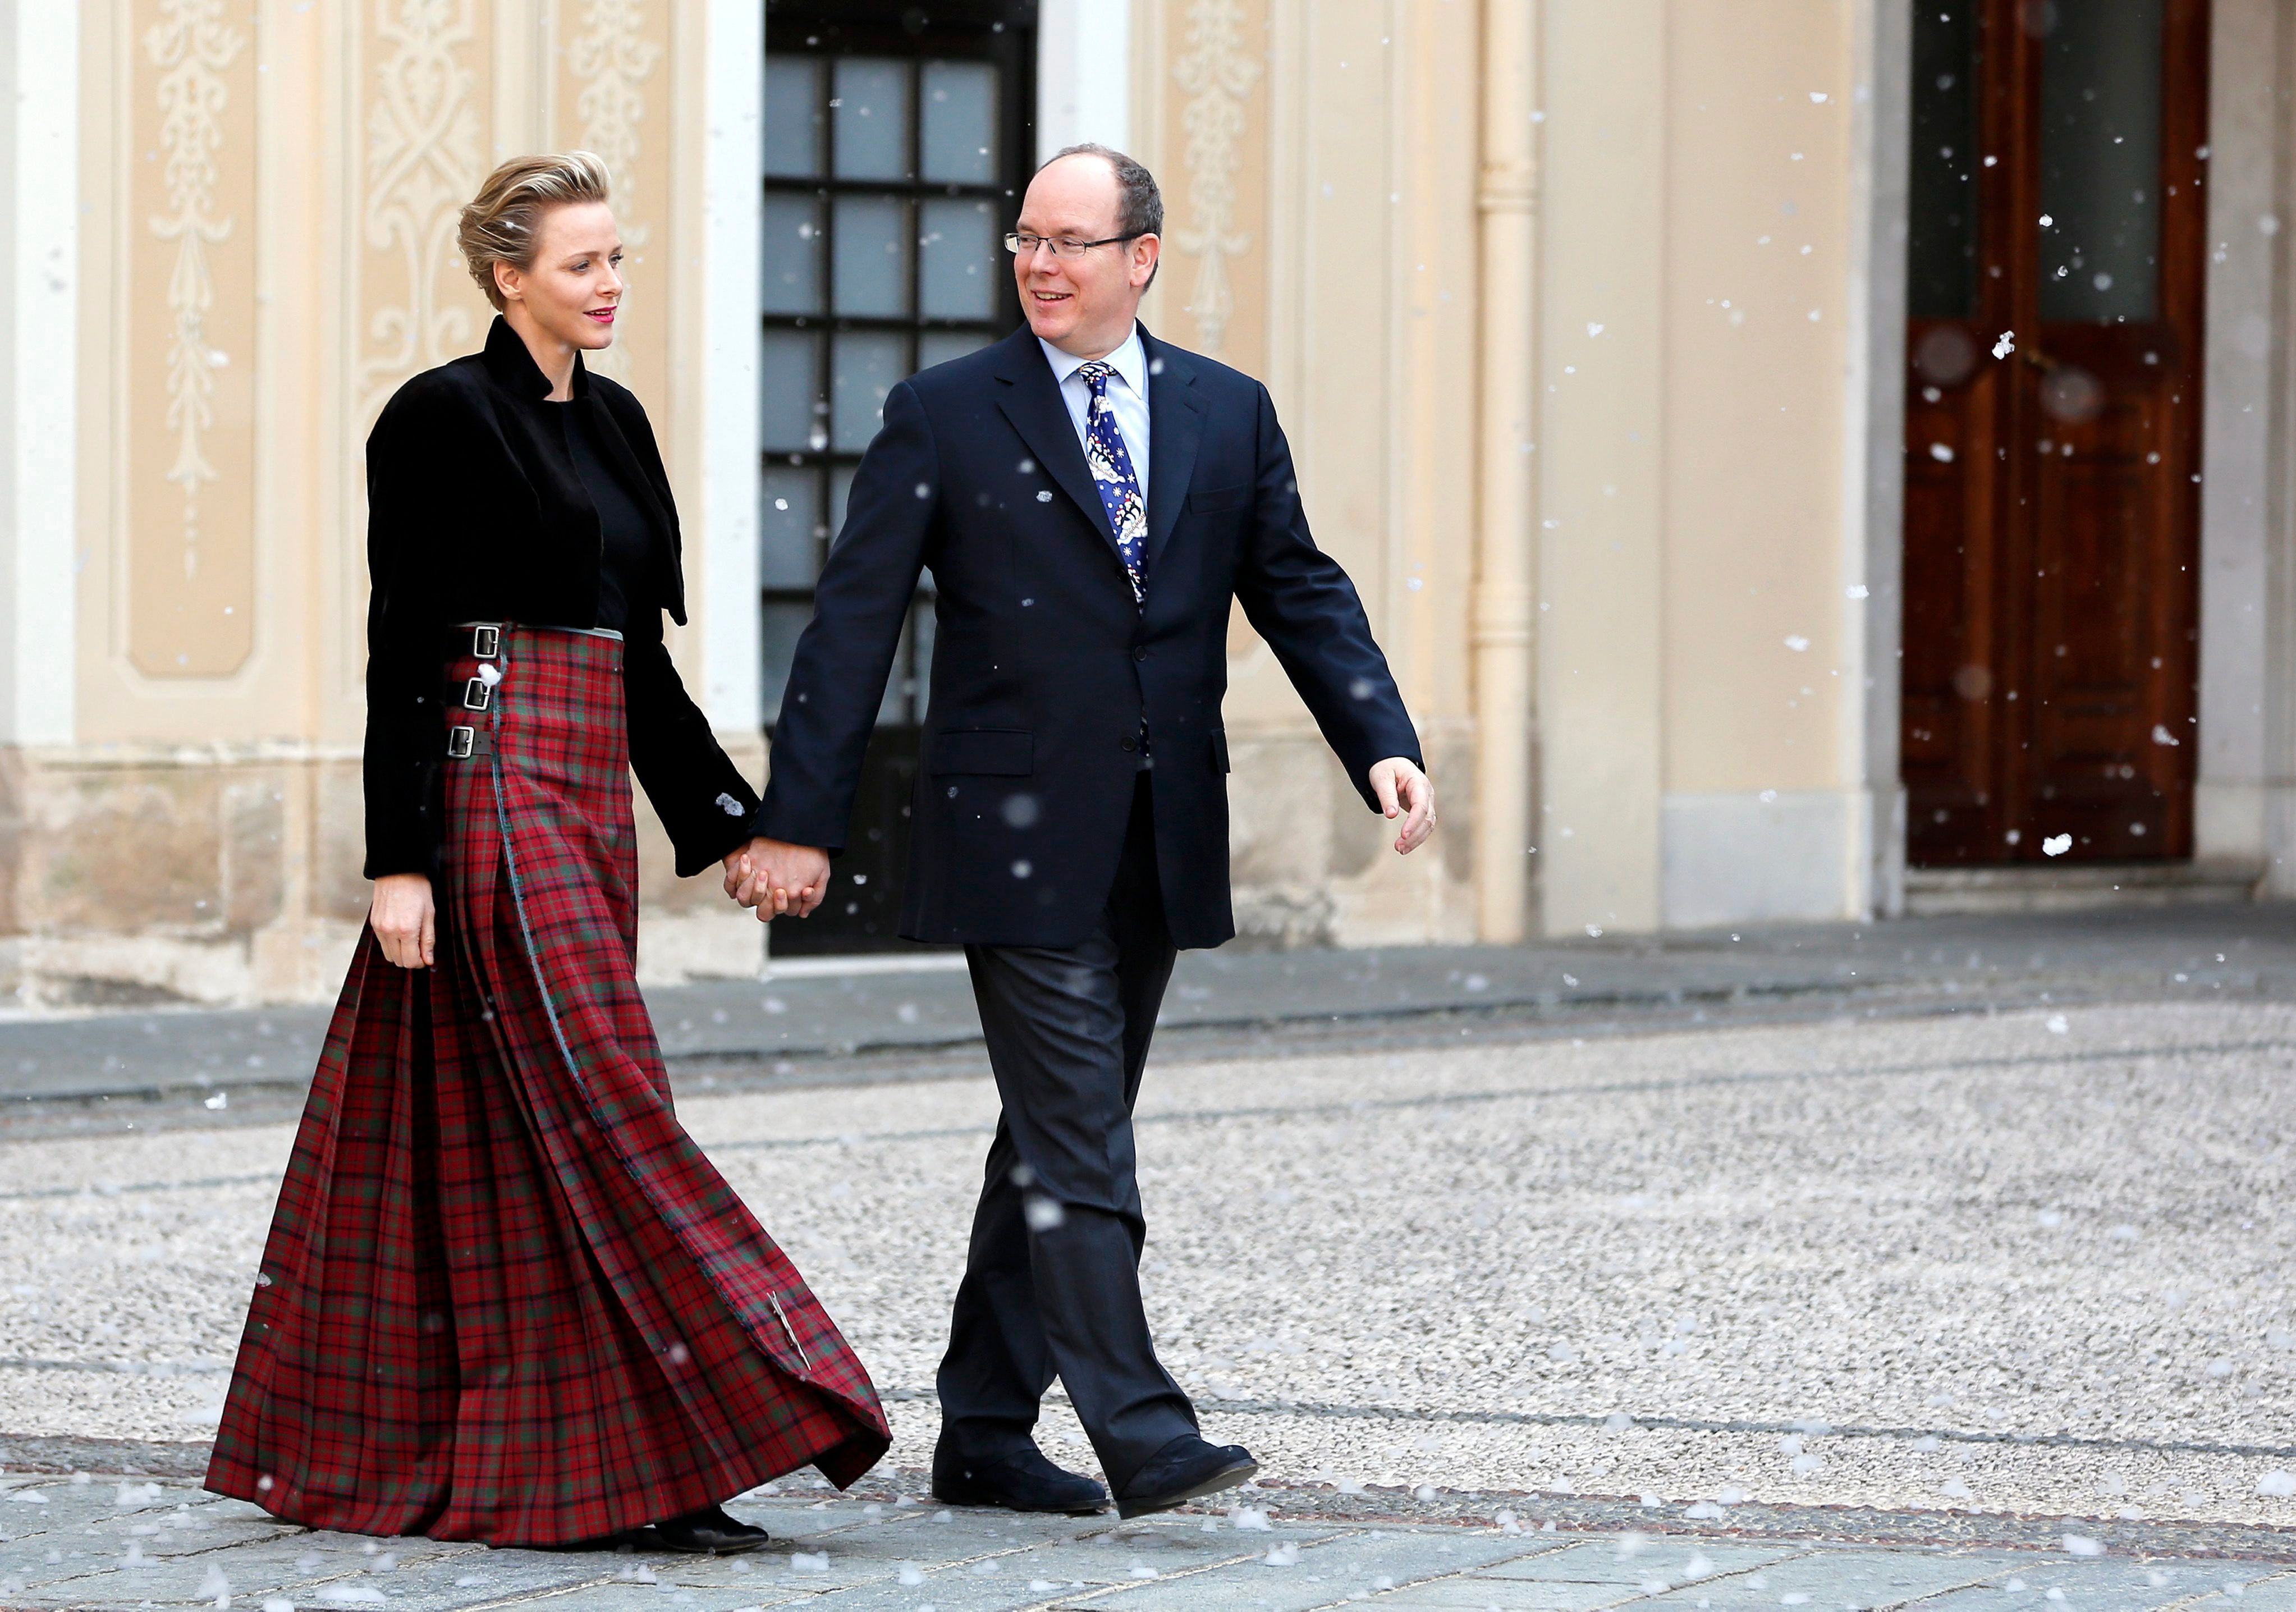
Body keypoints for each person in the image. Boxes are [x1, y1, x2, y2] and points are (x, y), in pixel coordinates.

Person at [731, 144, 1436, 1519]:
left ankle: (984, 1430)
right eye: (1024, 241)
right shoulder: (943, 412)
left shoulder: (1227, 414)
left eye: (1068, 242)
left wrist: (1381, 738)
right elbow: (852, 625)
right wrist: (799, 819)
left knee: (1056, 1135)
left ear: (1142, 256)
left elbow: (1296, 586)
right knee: (1079, 1144)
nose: (1038, 265)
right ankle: (1142, 1426)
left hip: (1157, 833)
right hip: (1007, 830)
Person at [204, 153, 889, 1554]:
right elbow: (406, 641)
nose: (609, 285)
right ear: (505, 274)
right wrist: (398, 857)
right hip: (489, 775)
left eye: (618, 260)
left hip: (586, 795)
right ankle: (743, 1392)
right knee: (604, 1100)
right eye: (581, 264)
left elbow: (636, 661)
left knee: (524, 1128)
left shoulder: (621, 421)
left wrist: (729, 820)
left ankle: (624, 1460)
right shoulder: (440, 415)